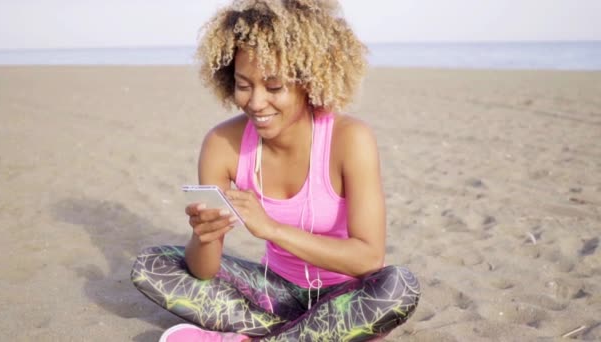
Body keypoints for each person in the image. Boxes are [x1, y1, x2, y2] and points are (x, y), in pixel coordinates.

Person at [131, 0, 420, 340]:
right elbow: (204, 271)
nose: (255, 102)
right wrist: (204, 236)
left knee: (399, 286)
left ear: (308, 81)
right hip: (272, 294)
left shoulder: (350, 139)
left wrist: (272, 229)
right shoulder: (221, 144)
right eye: (243, 85)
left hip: (343, 297)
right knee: (152, 265)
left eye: (273, 87)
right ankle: (298, 335)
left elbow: (368, 258)